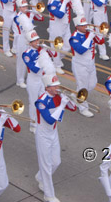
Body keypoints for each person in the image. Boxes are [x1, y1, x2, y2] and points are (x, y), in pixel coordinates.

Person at [35, 73, 76, 202]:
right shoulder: (41, 101)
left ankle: (40, 177)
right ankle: (49, 194)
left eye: (57, 84)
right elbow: (49, 120)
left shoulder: (58, 97)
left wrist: (71, 99)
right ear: (47, 88)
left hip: (53, 133)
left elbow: (73, 108)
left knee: (56, 162)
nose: (58, 87)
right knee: (46, 166)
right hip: (43, 134)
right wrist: (62, 105)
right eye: (54, 85)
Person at [69, 13, 104, 117]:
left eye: (86, 25)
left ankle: (76, 96)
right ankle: (83, 108)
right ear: (77, 26)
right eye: (83, 25)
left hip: (90, 64)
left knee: (93, 84)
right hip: (80, 65)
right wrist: (89, 38)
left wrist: (96, 33)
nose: (86, 27)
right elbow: (80, 50)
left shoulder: (89, 33)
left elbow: (101, 41)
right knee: (82, 87)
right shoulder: (74, 37)